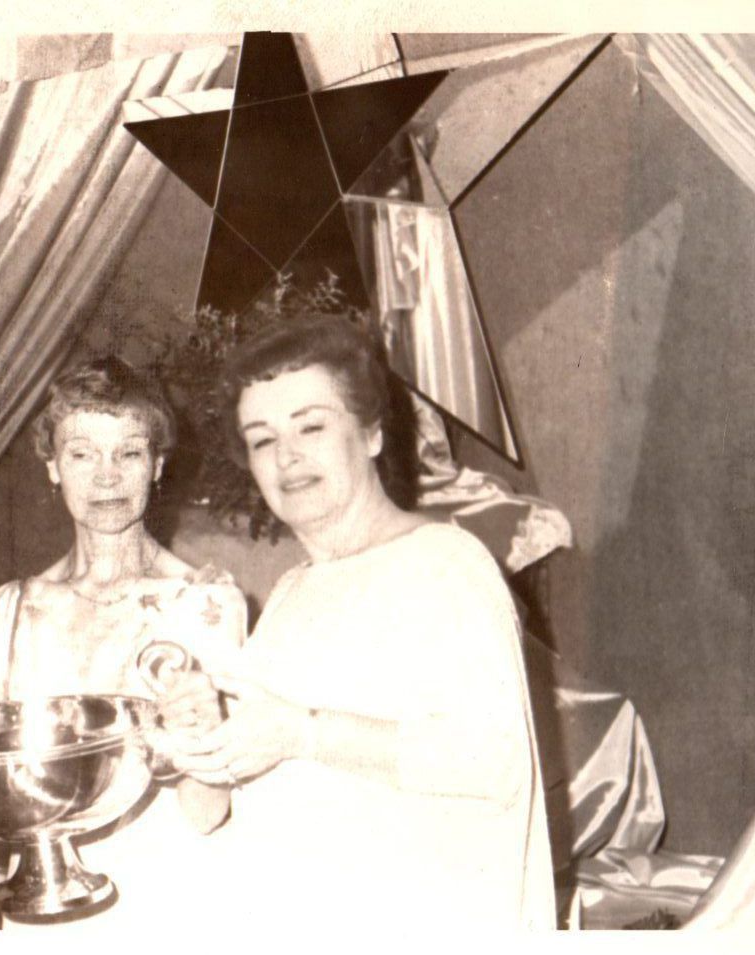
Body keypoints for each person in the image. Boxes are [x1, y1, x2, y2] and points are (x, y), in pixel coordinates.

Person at [170, 315, 556, 930]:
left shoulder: (444, 563)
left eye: (312, 426)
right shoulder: (292, 591)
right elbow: (214, 810)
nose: (287, 456)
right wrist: (204, 736)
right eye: (262, 440)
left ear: (372, 433)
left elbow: (492, 760)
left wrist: (304, 733)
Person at [0, 356, 246, 930]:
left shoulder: (205, 602)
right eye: (82, 454)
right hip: (38, 913)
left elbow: (208, 813)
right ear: (53, 466)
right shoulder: (13, 608)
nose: (106, 476)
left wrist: (202, 727)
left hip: (167, 906)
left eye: (129, 453)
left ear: (158, 464)